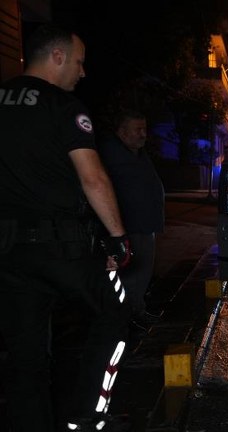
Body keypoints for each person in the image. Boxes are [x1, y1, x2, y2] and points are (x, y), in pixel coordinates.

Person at [0, 24, 133, 431]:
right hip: (63, 249)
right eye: (79, 61)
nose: (83, 72)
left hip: (9, 254)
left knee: (26, 357)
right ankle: (89, 416)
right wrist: (118, 238)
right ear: (56, 57)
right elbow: (93, 178)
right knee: (115, 316)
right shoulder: (63, 106)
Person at [99, 109, 165, 331]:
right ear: (122, 132)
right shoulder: (111, 153)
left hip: (145, 225)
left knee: (143, 273)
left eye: (144, 129)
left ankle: (136, 311)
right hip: (128, 226)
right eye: (137, 129)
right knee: (131, 276)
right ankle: (127, 318)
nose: (143, 134)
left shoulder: (137, 153)